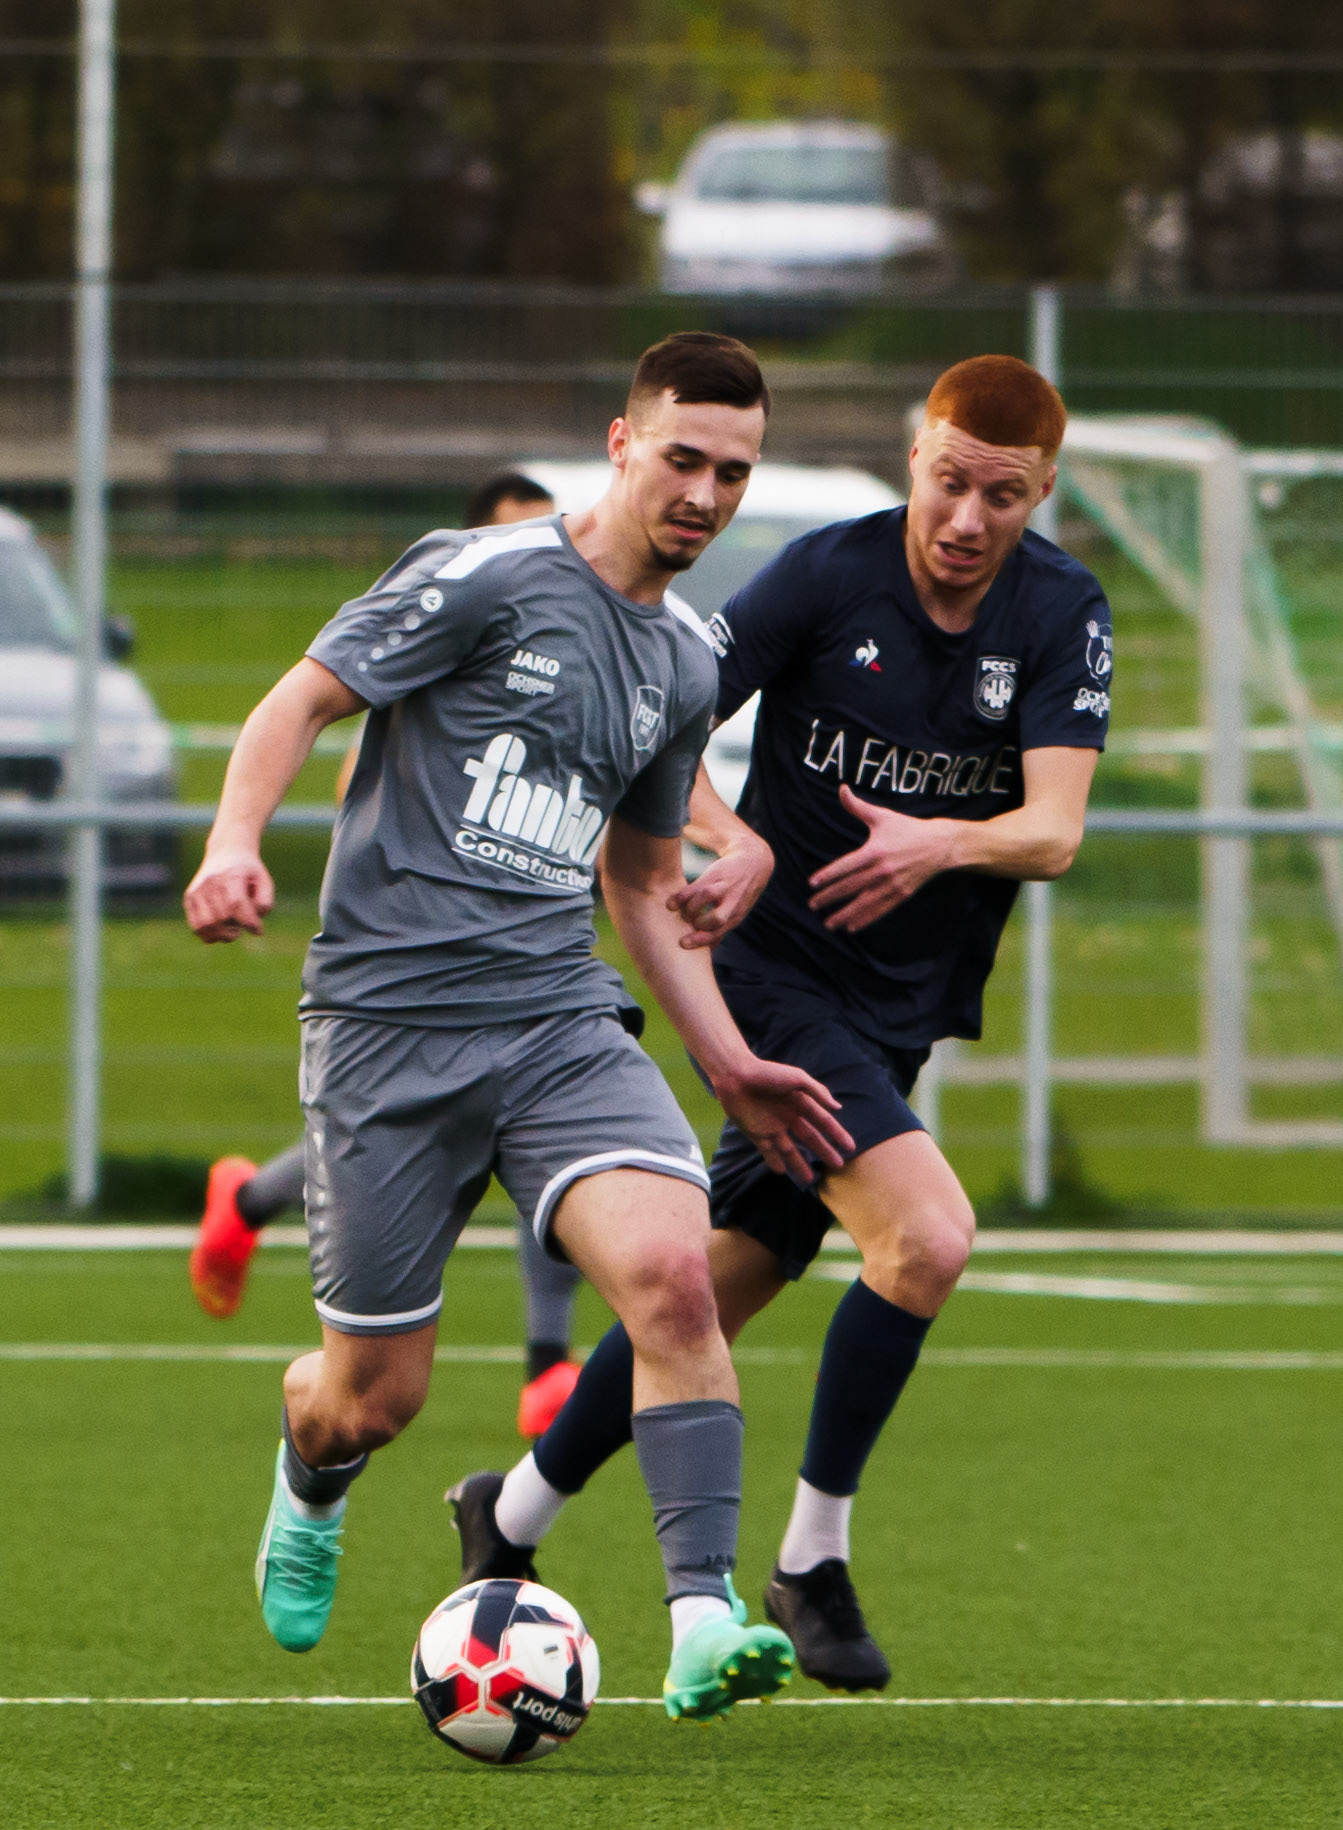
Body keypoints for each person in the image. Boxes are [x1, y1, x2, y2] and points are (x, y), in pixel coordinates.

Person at [183, 331, 853, 1724]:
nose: (706, 493)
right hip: (387, 1026)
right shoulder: (483, 575)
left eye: (733, 470)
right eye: (682, 457)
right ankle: (310, 1474)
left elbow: (639, 881)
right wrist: (233, 842)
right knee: (371, 1397)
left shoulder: (677, 663)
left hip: (555, 1021)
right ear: (619, 445)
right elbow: (301, 697)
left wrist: (727, 1064)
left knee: (673, 1276)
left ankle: (696, 1620)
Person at [454, 353, 1113, 1693]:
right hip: (770, 975)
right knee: (923, 1238)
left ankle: (506, 1515)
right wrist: (729, 836)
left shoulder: (1059, 610)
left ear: (1037, 492)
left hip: (897, 1007)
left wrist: (938, 843)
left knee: (708, 1282)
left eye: (1004, 495)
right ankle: (809, 1558)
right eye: (947, 481)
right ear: (910, 456)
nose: (968, 517)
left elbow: (1050, 830)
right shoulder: (826, 573)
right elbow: (663, 716)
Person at [189, 471, 595, 1438]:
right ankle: (245, 1201)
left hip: (535, 973)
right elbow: (339, 770)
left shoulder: (592, 646)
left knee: (556, 1155)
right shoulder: (433, 654)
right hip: (402, 984)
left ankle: (548, 1362)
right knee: (397, 1155)